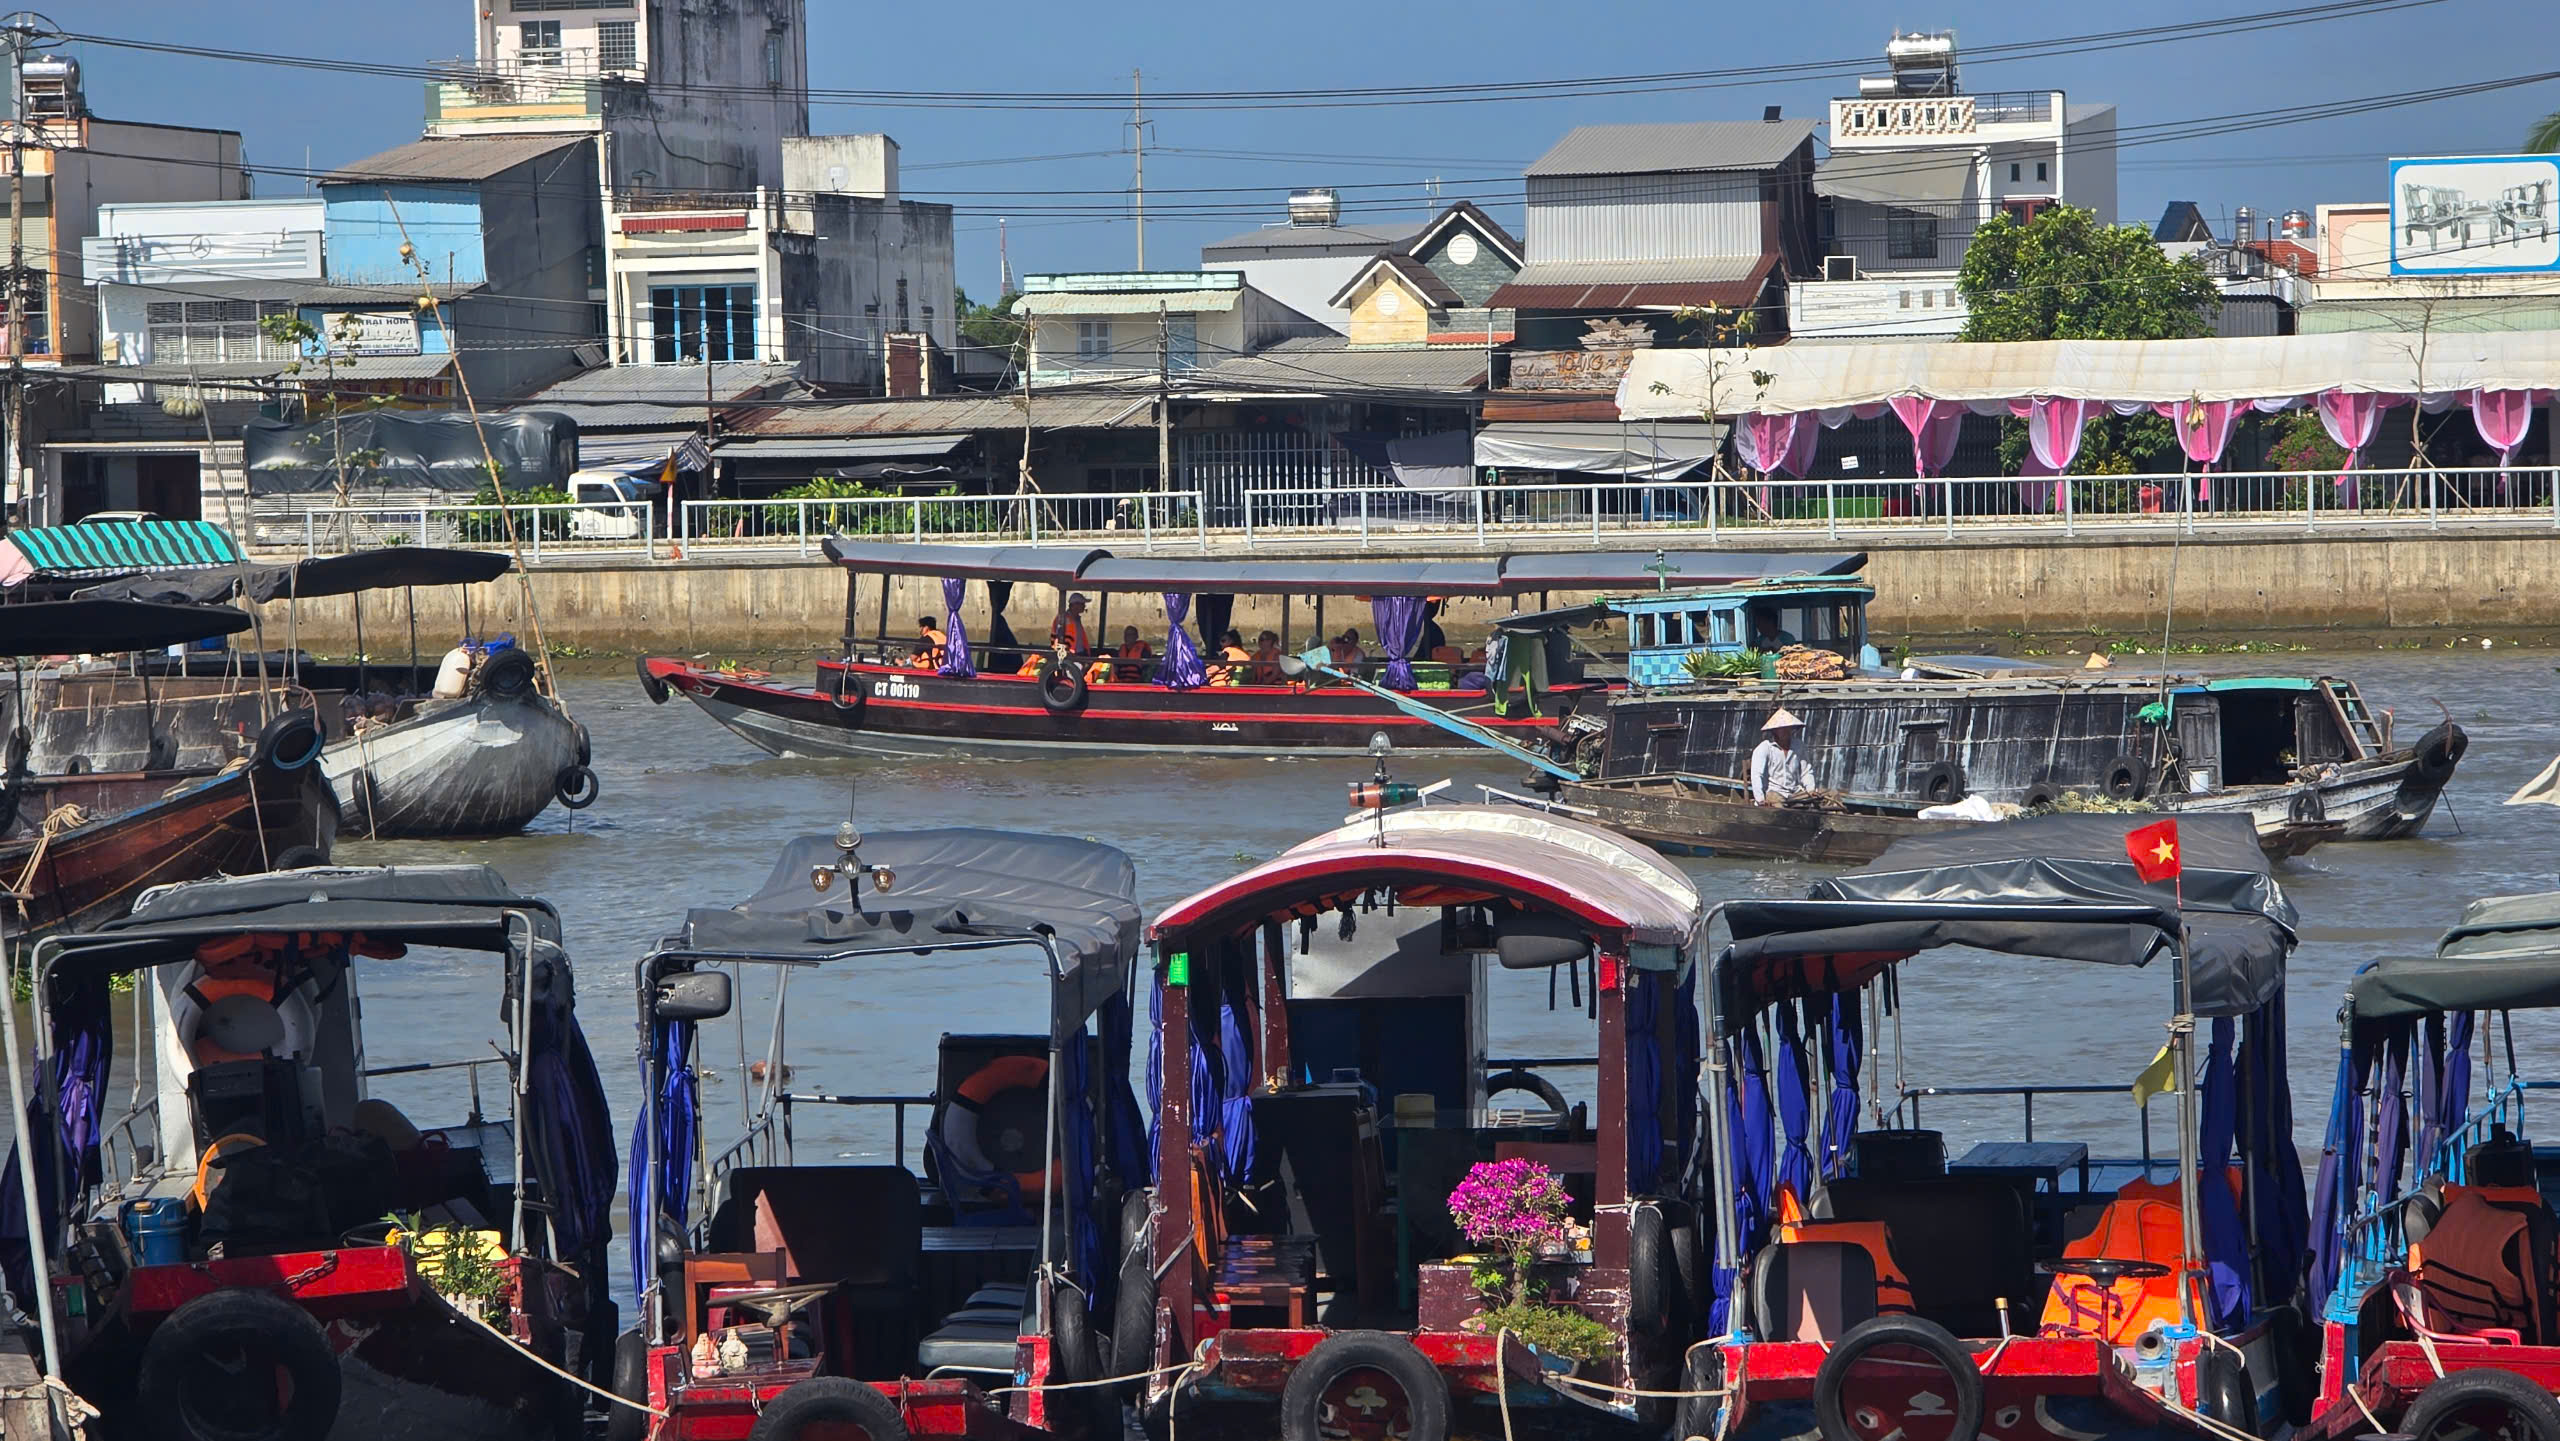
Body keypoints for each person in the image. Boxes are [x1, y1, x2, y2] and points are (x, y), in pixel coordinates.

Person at [1749, 708, 1816, 806]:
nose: (1786, 731)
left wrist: (1811, 790)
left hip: (1794, 793)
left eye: (1788, 728)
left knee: (1831, 795)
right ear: (1774, 730)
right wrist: (1760, 799)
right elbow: (1756, 775)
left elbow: (1806, 772)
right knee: (1778, 810)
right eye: (1782, 729)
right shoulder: (1765, 748)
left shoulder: (1799, 746)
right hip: (1773, 793)